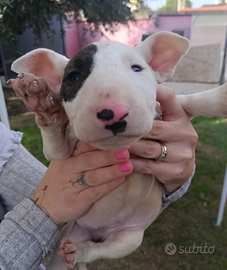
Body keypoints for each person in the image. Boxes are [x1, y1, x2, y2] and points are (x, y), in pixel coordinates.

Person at [0, 85, 197, 270]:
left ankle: (88, 251)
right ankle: (88, 251)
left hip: (121, 221)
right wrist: (45, 211)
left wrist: (173, 176)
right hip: (85, 227)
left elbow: (52, 177)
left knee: (130, 240)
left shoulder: (4, 149)